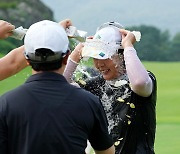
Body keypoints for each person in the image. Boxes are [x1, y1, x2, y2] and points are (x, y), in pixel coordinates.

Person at [0, 20, 115, 154]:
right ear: (67, 57)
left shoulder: (6, 104)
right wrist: (53, 35)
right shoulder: (89, 102)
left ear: (27, 59)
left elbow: (13, 62)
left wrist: (48, 36)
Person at [63, 21, 157, 154]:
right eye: (95, 57)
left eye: (105, 57)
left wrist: (128, 46)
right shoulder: (96, 84)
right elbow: (61, 88)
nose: (98, 64)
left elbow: (139, 83)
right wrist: (76, 54)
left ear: (121, 54)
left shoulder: (145, 79)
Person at [0, 19, 72, 81]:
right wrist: (54, 35)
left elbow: (13, 63)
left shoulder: (9, 97)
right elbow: (12, 63)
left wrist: (52, 35)